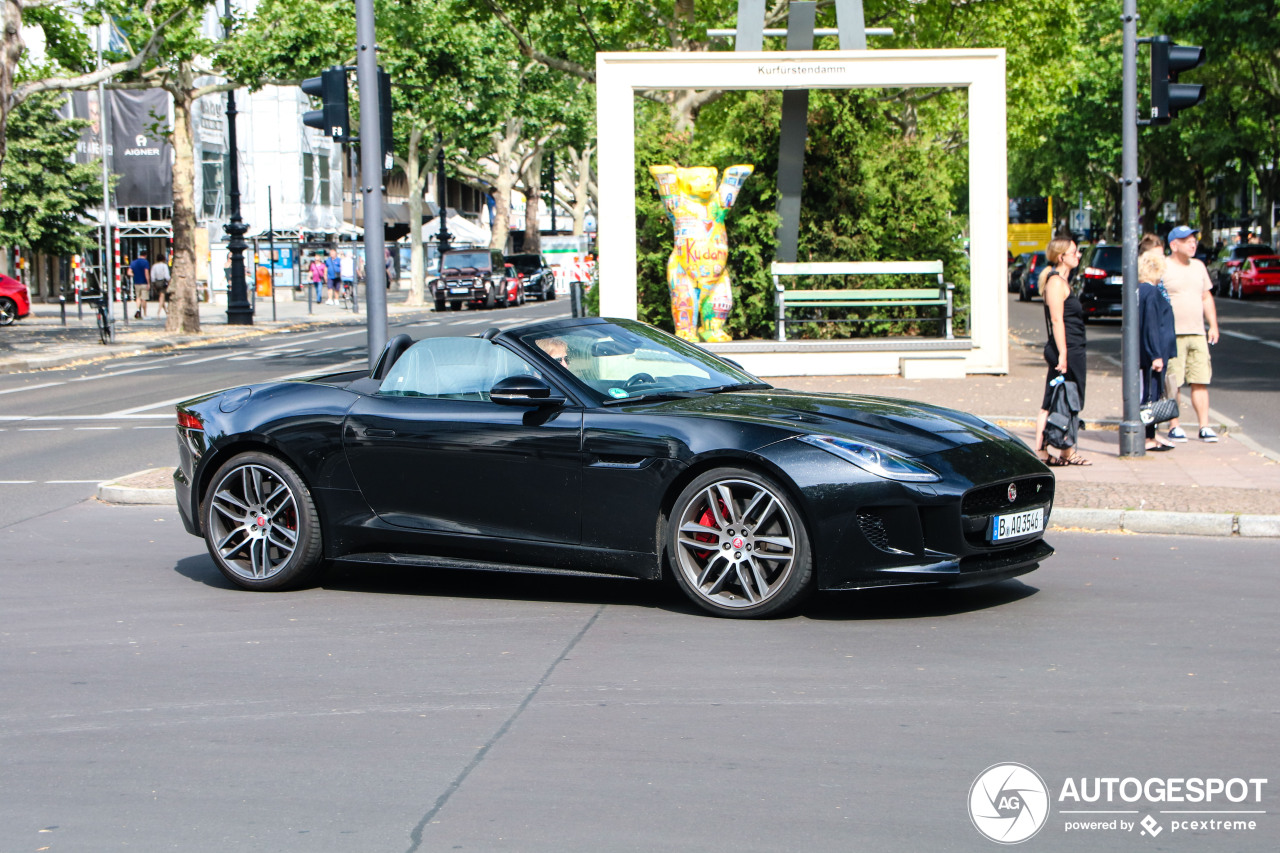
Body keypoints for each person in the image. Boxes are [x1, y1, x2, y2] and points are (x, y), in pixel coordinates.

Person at [1032, 236, 1090, 466]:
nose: (1078, 256)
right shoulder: (1055, 283)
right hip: (1065, 349)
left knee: (1068, 398)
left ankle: (1066, 450)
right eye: (1074, 252)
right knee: (1051, 399)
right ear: (1061, 257)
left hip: (1073, 348)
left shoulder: (1064, 282)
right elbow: (1057, 320)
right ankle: (1043, 452)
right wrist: (1063, 354)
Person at [1161, 225, 1220, 442]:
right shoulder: (1163, 267)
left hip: (1197, 332)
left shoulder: (1199, 267)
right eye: (1187, 241)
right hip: (1172, 334)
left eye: (1194, 240)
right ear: (1174, 245)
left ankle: (1204, 426)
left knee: (1200, 379)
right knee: (1173, 382)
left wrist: (1212, 325)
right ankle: (1174, 425)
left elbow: (1206, 297)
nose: (1193, 243)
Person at [1137, 240, 1177, 451]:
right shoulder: (1151, 292)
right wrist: (1156, 355)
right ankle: (1148, 437)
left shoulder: (1140, 290)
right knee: (1152, 395)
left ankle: (1149, 435)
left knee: (1150, 394)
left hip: (1147, 350)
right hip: (1155, 350)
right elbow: (1151, 324)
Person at [130, 249, 151, 319]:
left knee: (138, 297)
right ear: (145, 255)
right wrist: (148, 282)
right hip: (144, 282)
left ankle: (138, 310)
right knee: (144, 298)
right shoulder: (145, 262)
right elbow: (146, 272)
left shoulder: (134, 262)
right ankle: (144, 314)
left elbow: (129, 272)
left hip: (136, 282)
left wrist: (134, 275)